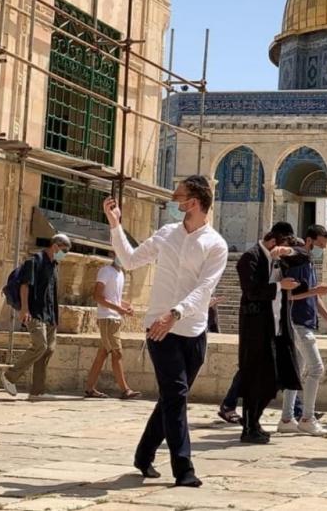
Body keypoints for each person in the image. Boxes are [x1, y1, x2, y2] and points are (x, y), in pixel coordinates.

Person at [103, 175, 228, 488]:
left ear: (194, 202)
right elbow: (130, 260)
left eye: (179, 197)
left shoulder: (216, 245)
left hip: (193, 329)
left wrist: (176, 313)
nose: (174, 202)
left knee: (172, 397)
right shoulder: (166, 234)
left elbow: (205, 288)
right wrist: (115, 224)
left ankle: (144, 455)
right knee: (176, 395)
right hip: (159, 330)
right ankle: (183, 468)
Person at [236, 222, 308, 444]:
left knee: (275, 380)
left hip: (278, 326)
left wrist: (288, 251)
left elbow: (305, 256)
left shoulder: (281, 257)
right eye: (283, 244)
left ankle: (255, 421)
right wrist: (279, 286)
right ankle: (249, 427)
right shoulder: (250, 258)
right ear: (273, 240)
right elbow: (251, 291)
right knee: (255, 379)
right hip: (257, 329)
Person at [277, 225, 327, 438]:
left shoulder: (309, 263)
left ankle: (287, 419)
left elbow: (313, 295)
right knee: (316, 369)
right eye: (320, 244)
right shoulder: (298, 261)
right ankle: (307, 418)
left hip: (305, 321)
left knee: (296, 372)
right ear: (310, 240)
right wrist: (315, 290)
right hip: (297, 321)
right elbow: (290, 295)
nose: (322, 249)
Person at [1, 233, 72, 400]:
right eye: (64, 251)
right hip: (34, 312)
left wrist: (55, 318)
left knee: (48, 349)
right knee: (40, 345)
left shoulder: (54, 264)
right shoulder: (34, 261)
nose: (64, 254)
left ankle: (37, 391)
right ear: (55, 246)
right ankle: (10, 376)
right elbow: (24, 286)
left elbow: (51, 291)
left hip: (49, 314)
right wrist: (24, 309)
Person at [83, 254, 140, 400]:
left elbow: (115, 299)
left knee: (102, 354)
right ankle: (125, 390)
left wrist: (127, 306)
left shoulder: (121, 274)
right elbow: (97, 296)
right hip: (107, 319)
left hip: (115, 319)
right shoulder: (105, 271)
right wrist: (118, 309)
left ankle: (89, 388)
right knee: (117, 353)